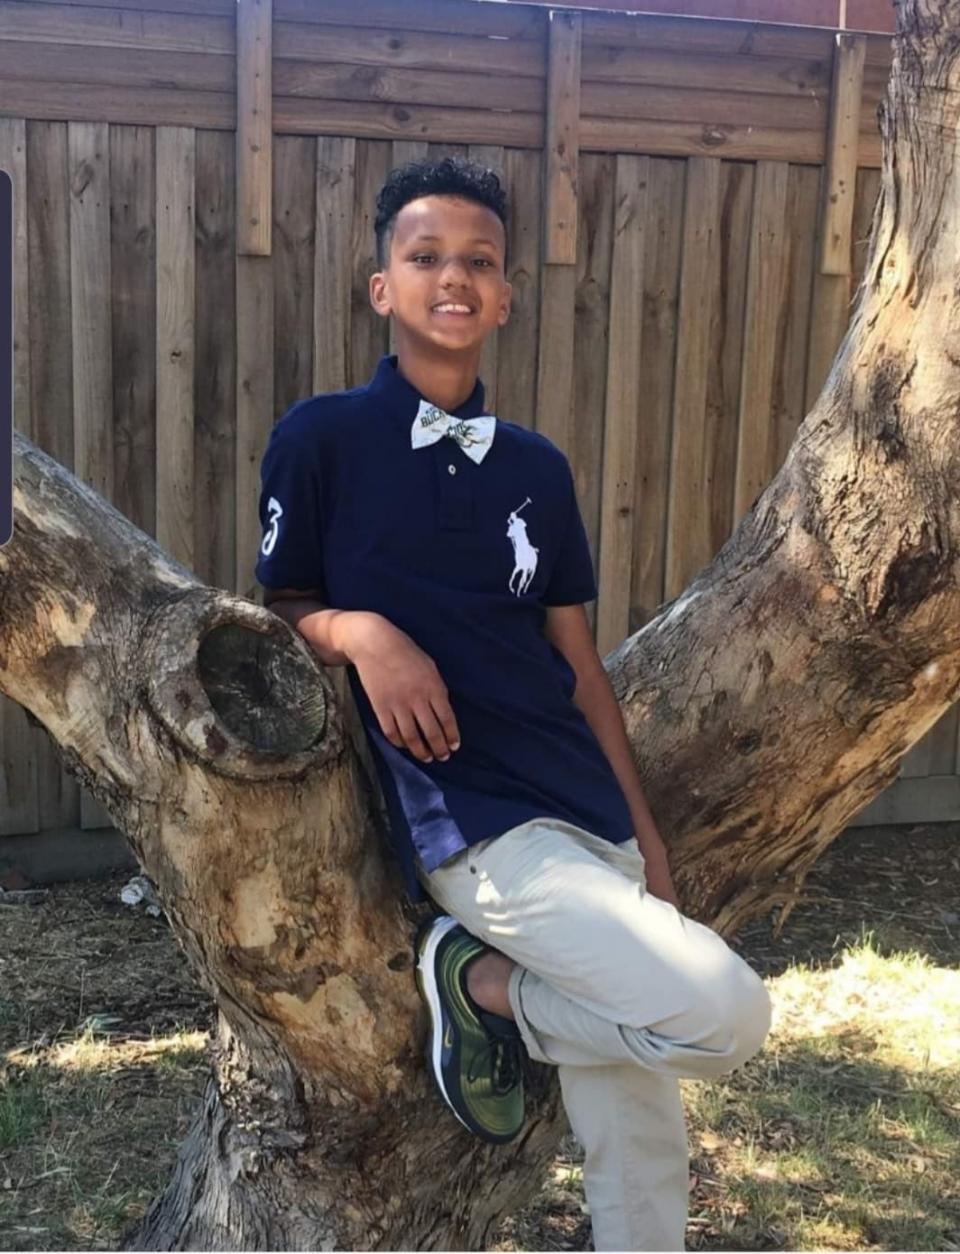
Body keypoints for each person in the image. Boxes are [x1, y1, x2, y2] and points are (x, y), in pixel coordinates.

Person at [255, 155, 771, 1251]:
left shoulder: (538, 467)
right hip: (472, 820)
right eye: (425, 256)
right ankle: (482, 983)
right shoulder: (322, 436)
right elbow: (279, 604)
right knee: (726, 1014)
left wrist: (644, 838)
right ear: (380, 286)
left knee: (639, 1141)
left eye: (480, 262)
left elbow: (579, 665)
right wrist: (365, 633)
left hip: (580, 800)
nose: (456, 278)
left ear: (507, 294)